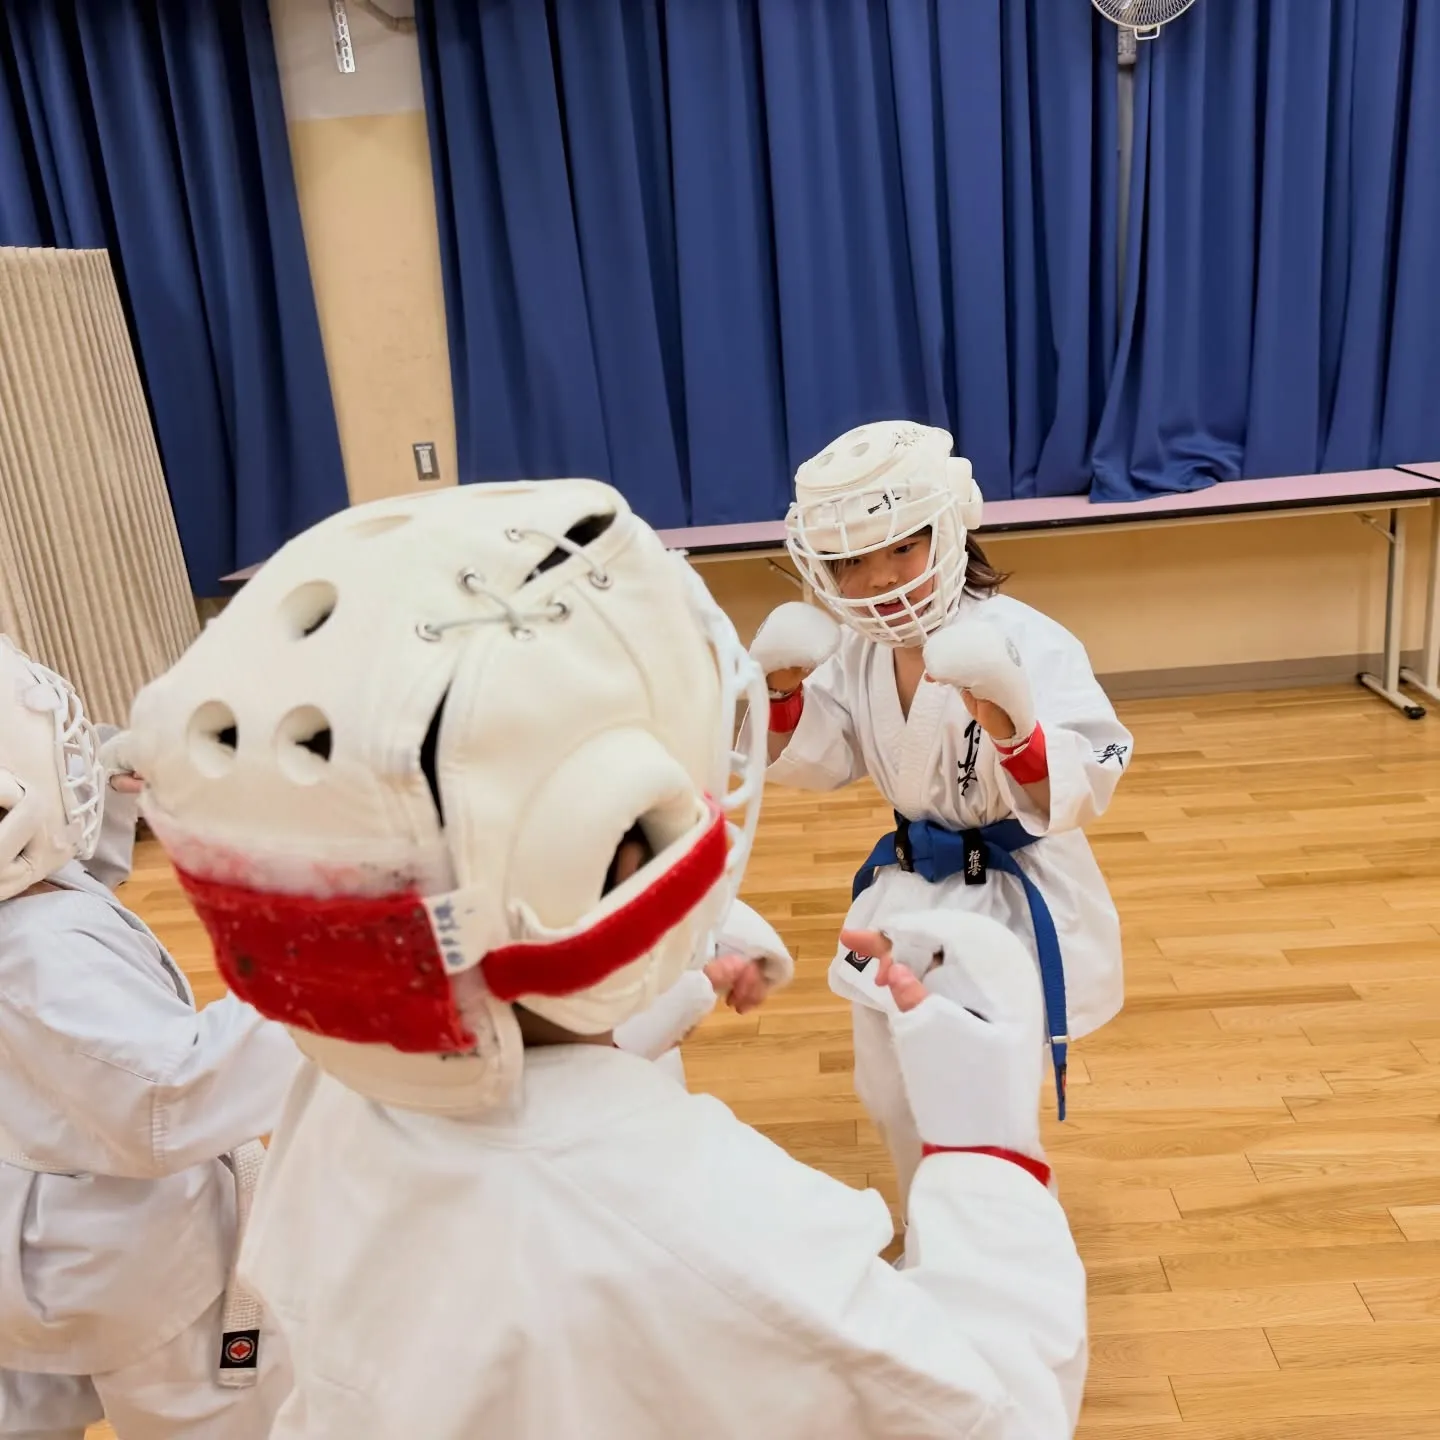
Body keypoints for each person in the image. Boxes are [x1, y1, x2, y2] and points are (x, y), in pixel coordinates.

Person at [118, 478, 1087, 1437]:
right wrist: (985, 1152)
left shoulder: (332, 1115)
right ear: (612, 836)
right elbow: (993, 1415)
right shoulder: (714, 1226)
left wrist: (654, 1001)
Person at [750, 419, 1131, 1202]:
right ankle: (929, 1232)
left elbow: (1097, 759)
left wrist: (1014, 729)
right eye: (848, 561)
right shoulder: (856, 652)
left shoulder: (1025, 640)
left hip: (1012, 890)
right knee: (888, 1086)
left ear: (952, 528)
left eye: (900, 548)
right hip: (911, 885)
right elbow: (827, 754)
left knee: (982, 1090)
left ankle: (1006, 1244)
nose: (877, 580)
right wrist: (782, 691)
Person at [0, 637, 300, 1439]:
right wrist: (317, 985)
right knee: (224, 1414)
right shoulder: (36, 952)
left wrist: (103, 784)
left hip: (38, 1246)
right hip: (134, 1270)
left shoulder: (30, 919)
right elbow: (170, 1099)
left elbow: (59, 879)